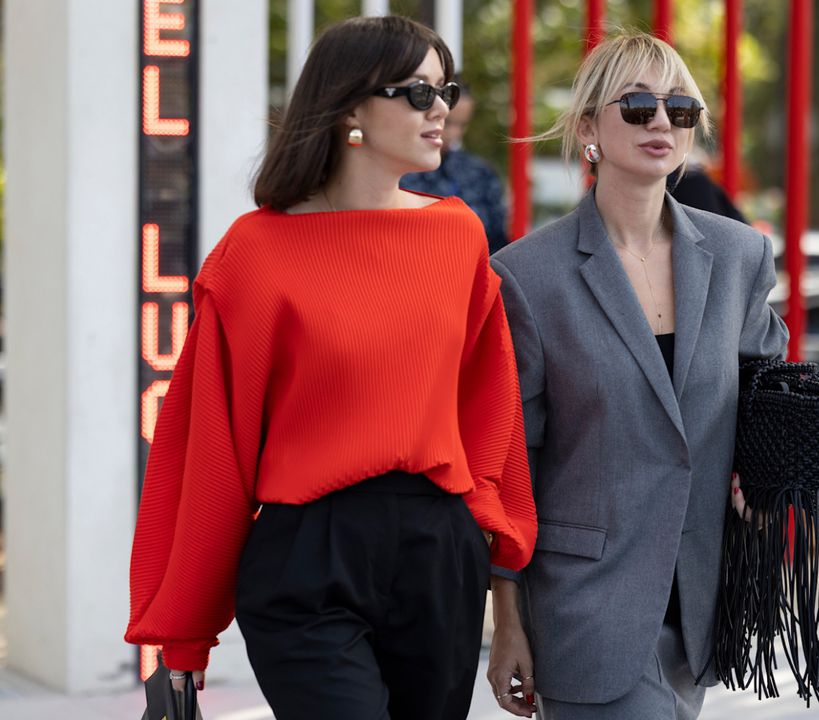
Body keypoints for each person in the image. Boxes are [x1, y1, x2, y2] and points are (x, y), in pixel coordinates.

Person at [124, 17, 536, 720]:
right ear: (350, 107)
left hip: (438, 554)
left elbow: (491, 416)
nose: (442, 109)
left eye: (447, 89)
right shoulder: (255, 253)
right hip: (307, 557)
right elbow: (208, 450)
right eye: (417, 92)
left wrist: (500, 575)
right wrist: (181, 643)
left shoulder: (458, 235)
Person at [486, 33, 788, 719]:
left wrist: (776, 481)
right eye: (639, 105)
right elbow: (513, 464)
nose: (661, 121)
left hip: (702, 603)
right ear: (588, 127)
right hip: (586, 608)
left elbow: (769, 397)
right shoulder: (529, 277)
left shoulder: (739, 256)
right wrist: (507, 620)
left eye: (680, 109)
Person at [401, 81, 510, 253]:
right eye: (448, 122)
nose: (454, 133)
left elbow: (498, 242)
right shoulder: (398, 172)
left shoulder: (480, 173)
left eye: (462, 124)